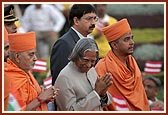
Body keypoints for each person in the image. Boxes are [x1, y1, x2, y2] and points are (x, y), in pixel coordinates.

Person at [95, 18, 150, 111]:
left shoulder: (132, 62)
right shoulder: (102, 67)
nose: (132, 42)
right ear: (114, 45)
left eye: (132, 38)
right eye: (126, 39)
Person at [4, 32, 59, 111]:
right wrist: (41, 98)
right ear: (17, 57)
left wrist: (44, 94)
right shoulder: (9, 79)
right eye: (31, 54)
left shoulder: (24, 71)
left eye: (35, 54)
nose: (35, 58)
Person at [54, 38, 113, 111]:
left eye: (93, 61)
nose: (88, 65)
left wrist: (103, 94)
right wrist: (97, 93)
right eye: (85, 60)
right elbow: (70, 111)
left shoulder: (91, 70)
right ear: (76, 56)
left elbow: (103, 103)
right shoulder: (65, 77)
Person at [50, 4, 98, 85]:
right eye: (89, 19)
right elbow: (59, 80)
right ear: (76, 21)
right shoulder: (64, 43)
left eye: (94, 18)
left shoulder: (90, 42)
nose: (93, 23)